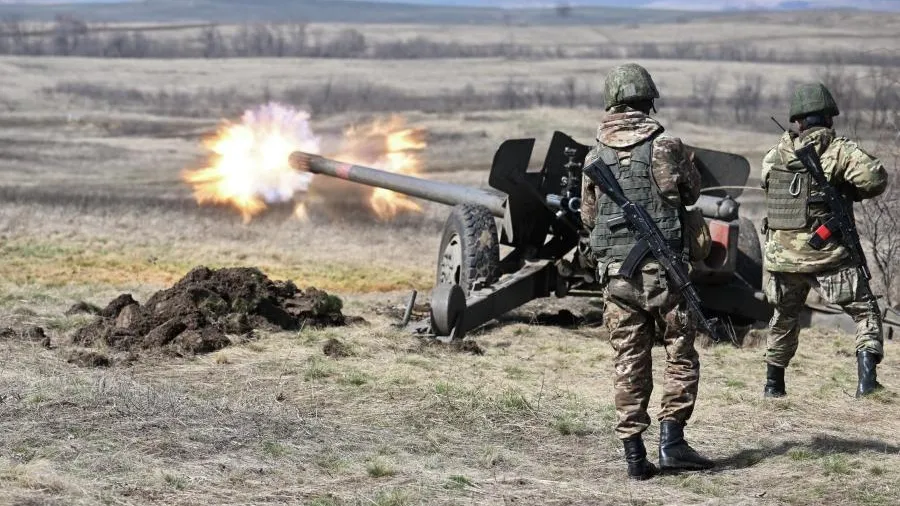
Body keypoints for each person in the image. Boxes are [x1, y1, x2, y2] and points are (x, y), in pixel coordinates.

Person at [580, 63, 713, 481]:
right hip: (664, 275)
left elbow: (588, 218)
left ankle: (635, 457)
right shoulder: (666, 145)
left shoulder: (593, 156)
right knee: (679, 352)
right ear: (647, 101)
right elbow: (691, 192)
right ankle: (672, 442)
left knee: (629, 360)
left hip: (616, 279)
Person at [761, 82, 887, 399]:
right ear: (829, 117)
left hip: (783, 257)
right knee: (866, 314)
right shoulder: (839, 150)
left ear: (798, 121)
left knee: (784, 318)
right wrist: (848, 189)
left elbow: (768, 186)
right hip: (828, 255)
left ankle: (773, 386)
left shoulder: (775, 154)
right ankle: (867, 384)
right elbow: (875, 178)